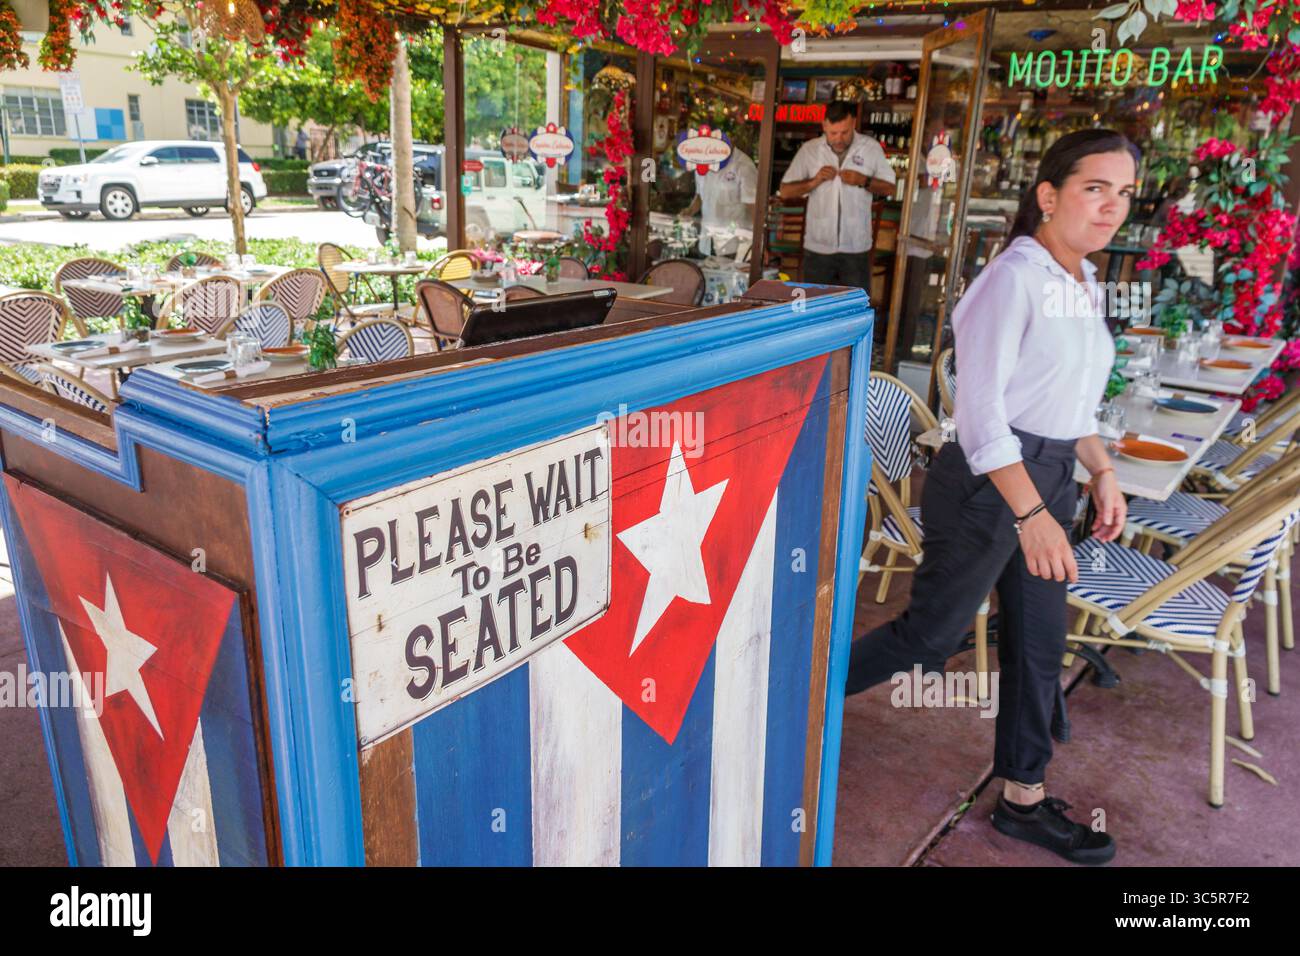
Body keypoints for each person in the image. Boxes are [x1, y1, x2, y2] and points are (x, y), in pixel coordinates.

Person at [844, 129, 1138, 865]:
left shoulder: (1083, 280)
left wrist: (1100, 468)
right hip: (988, 485)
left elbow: (1068, 405)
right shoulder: (1011, 280)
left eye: (1124, 193)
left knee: (1039, 643)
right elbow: (979, 417)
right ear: (1049, 195)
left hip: (1049, 475)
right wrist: (1033, 515)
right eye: (1094, 188)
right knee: (930, 639)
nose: (1111, 207)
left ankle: (1024, 799)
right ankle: (791, 698)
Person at [778, 101, 896, 290]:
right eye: (833, 133)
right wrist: (813, 182)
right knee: (816, 311)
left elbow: (890, 188)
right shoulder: (810, 150)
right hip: (818, 247)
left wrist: (864, 180)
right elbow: (785, 191)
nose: (838, 138)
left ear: (854, 124)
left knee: (853, 312)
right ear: (824, 126)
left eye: (844, 132)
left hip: (856, 248)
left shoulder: (871, 148)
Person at [684, 148, 758, 257]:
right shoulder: (701, 162)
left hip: (733, 245)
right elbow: (700, 195)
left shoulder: (743, 165)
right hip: (706, 241)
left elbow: (754, 207)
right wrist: (689, 211)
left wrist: (759, 242)